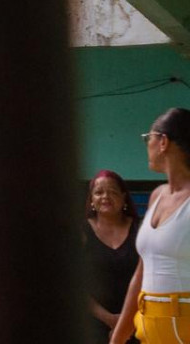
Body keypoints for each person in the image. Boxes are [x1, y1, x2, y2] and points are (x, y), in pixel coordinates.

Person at [111, 109, 190, 344]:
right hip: (151, 327)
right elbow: (141, 272)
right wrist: (118, 338)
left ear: (163, 141)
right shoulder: (156, 196)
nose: (147, 145)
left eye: (149, 138)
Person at [85, 170, 139, 341]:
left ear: (124, 197)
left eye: (113, 191)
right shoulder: (80, 232)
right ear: (91, 199)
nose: (105, 196)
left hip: (138, 321)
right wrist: (110, 320)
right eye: (99, 192)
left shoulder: (141, 230)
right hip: (92, 324)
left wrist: (126, 321)